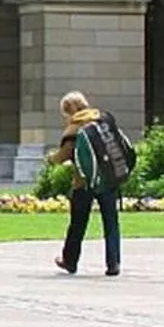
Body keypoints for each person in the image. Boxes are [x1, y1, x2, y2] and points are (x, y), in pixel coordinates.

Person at [54, 91, 122, 277]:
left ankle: (70, 261)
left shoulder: (75, 127)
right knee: (111, 222)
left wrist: (51, 159)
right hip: (108, 179)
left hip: (83, 182)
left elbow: (64, 155)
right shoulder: (102, 120)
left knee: (78, 223)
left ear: (70, 110)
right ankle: (113, 263)